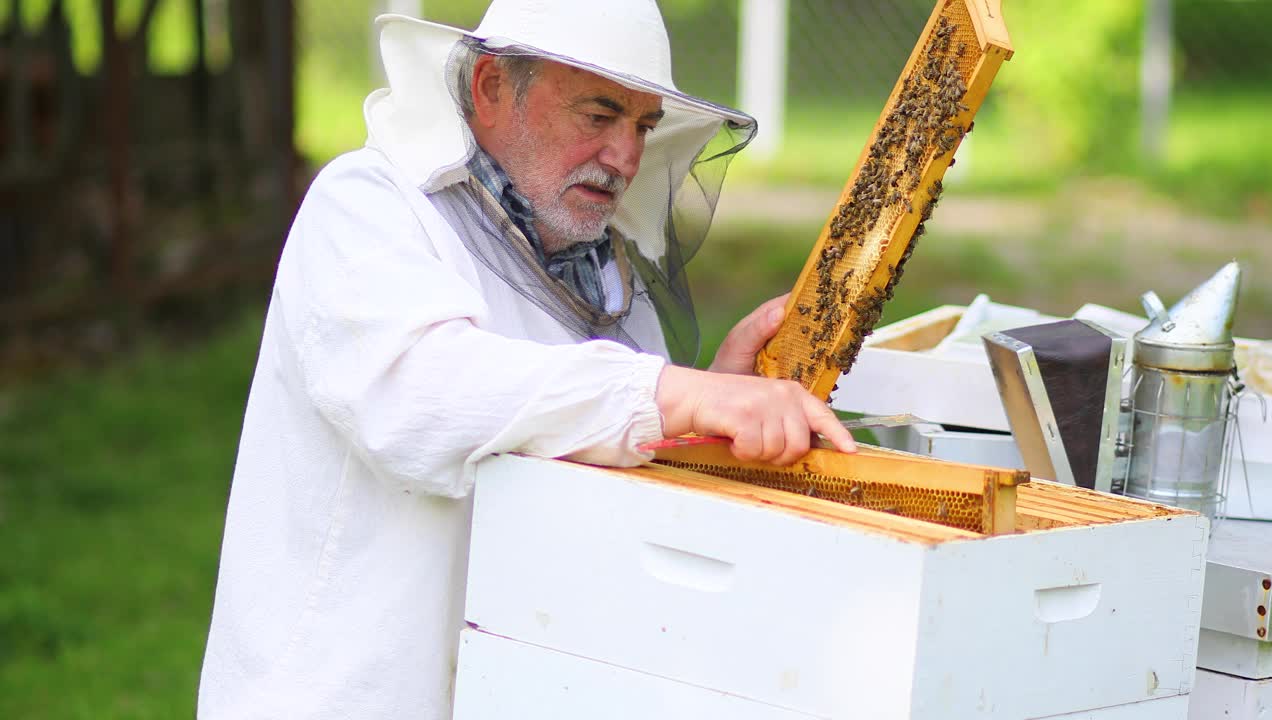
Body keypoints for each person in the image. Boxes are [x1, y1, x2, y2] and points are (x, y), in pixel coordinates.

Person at [197, 1, 856, 718]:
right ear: (489, 89)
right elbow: (422, 396)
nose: (626, 157)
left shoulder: (605, 280)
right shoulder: (367, 209)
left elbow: (598, 454)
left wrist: (715, 399)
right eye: (598, 116)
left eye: (641, 126)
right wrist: (674, 394)